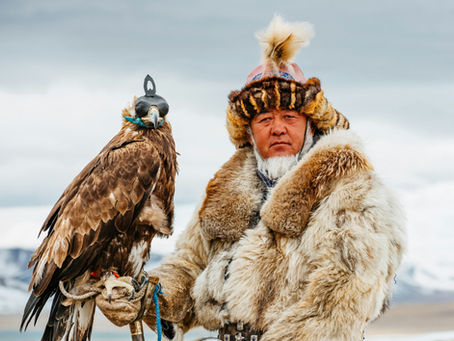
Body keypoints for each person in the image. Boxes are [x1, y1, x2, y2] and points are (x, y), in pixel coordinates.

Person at [97, 16, 406, 341]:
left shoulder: (353, 191)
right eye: (264, 119)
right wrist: (146, 295)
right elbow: (190, 267)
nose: (277, 128)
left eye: (289, 117)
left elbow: (337, 308)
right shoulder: (226, 191)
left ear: (311, 126)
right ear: (248, 130)